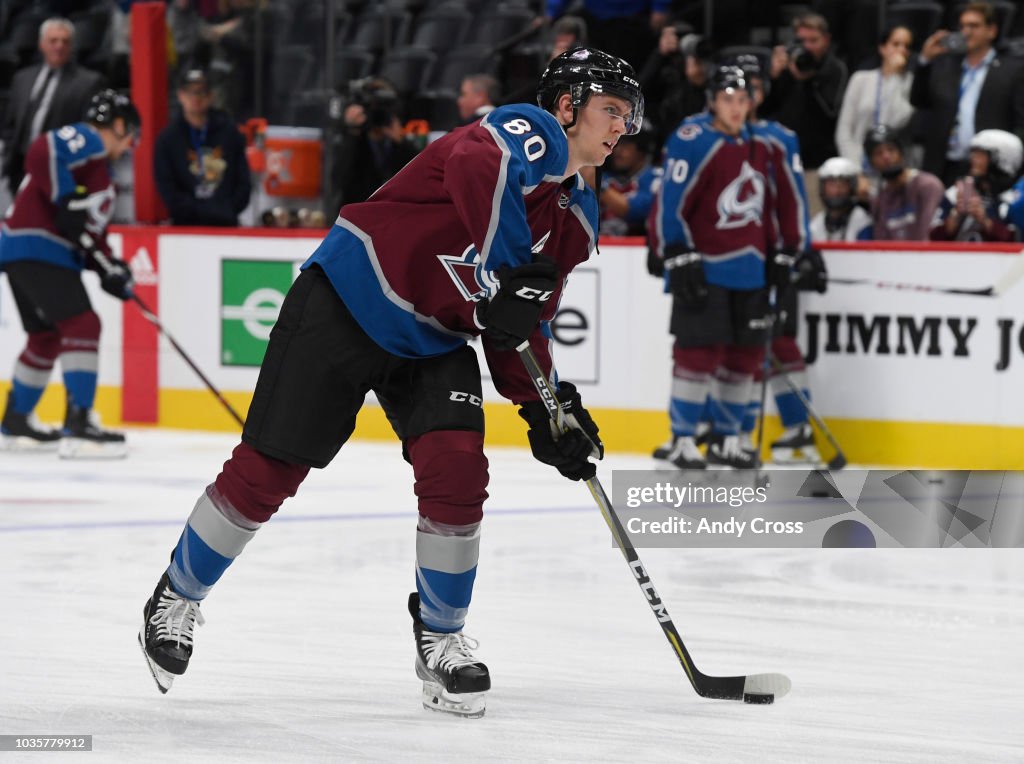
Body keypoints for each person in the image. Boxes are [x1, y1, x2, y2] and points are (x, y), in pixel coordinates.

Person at [138, 47, 642, 719]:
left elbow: (519, 325)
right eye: (610, 109)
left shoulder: (576, 218)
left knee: (459, 472)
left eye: (628, 115)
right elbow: (476, 169)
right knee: (269, 471)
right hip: (348, 297)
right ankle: (176, 595)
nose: (621, 127)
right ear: (567, 105)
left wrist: (549, 408)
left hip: (432, 339)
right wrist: (510, 269)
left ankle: (441, 636)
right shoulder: (525, 130)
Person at [649, 65, 788, 470]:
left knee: (744, 359)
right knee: (697, 354)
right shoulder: (693, 139)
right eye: (728, 100)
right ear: (712, 101)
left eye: (742, 100)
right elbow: (670, 202)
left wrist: (780, 253)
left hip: (752, 272)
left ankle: (727, 439)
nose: (736, 108)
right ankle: (683, 439)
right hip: (704, 269)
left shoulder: (761, 146)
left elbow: (772, 206)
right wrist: (676, 249)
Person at [0, 90, 139, 457]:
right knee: (83, 325)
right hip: (38, 247)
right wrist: (65, 198)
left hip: (23, 250)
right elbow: (43, 149)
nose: (128, 147)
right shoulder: (90, 140)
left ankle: (15, 422)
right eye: (130, 137)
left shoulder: (99, 177)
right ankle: (78, 425)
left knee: (45, 336)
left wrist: (112, 268)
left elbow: (86, 234)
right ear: (120, 125)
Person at [912, 2, 1024, 186]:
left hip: (988, 168)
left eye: (974, 26)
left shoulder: (1012, 70)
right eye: (963, 26)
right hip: (943, 165)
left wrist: (1011, 163)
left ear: (992, 30)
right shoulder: (945, 65)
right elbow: (919, 100)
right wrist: (925, 60)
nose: (966, 32)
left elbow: (1021, 122)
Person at [1, 17, 107, 195]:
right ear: (41, 44)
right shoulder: (22, 78)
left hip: (59, 169)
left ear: (72, 46)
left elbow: (88, 131)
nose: (59, 46)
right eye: (53, 41)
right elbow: (10, 124)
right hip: (20, 167)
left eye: (65, 41)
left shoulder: (88, 82)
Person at [154, 68, 252, 227]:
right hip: (184, 228)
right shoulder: (168, 139)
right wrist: (192, 211)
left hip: (226, 225)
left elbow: (243, 182)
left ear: (210, 96)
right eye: (190, 92)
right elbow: (167, 187)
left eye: (201, 92)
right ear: (180, 95)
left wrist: (227, 210)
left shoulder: (230, 133)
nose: (195, 98)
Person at [762, 13, 848, 189]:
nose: (807, 47)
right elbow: (764, 110)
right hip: (782, 159)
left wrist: (807, 80)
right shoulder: (787, 66)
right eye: (802, 41)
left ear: (826, 40)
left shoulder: (835, 69)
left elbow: (831, 113)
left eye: (813, 40)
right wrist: (772, 77)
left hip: (818, 162)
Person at [329, 78, 422, 209]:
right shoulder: (353, 139)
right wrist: (353, 132)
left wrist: (401, 142)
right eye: (374, 108)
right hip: (358, 212)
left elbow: (420, 178)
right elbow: (338, 180)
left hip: (393, 212)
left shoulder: (399, 144)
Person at [834, 25, 915, 172]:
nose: (901, 50)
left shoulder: (911, 83)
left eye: (906, 46)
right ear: (882, 48)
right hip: (858, 163)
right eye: (896, 44)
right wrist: (854, 168)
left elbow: (896, 121)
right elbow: (844, 130)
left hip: (892, 167)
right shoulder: (861, 79)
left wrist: (895, 77)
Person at [931, 129, 1022, 242]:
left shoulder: (1014, 200)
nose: (973, 160)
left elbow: (1016, 240)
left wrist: (985, 222)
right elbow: (932, 237)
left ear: (1002, 160)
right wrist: (955, 216)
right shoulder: (955, 193)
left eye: (981, 155)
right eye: (973, 154)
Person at [864, 124, 944, 241]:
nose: (886, 156)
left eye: (891, 149)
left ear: (901, 152)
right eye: (878, 153)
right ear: (872, 163)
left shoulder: (928, 185)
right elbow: (880, 242)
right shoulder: (879, 199)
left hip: (925, 256)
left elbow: (930, 235)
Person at [599, 129, 659, 237]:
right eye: (616, 145)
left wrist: (598, 185)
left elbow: (636, 211)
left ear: (641, 151)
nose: (617, 151)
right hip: (601, 248)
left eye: (625, 145)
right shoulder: (607, 177)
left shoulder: (654, 177)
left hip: (639, 249)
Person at [811, 157, 873, 241]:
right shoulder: (816, 224)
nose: (836, 191)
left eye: (842, 185)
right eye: (831, 185)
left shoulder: (862, 220)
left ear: (852, 187)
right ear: (822, 188)